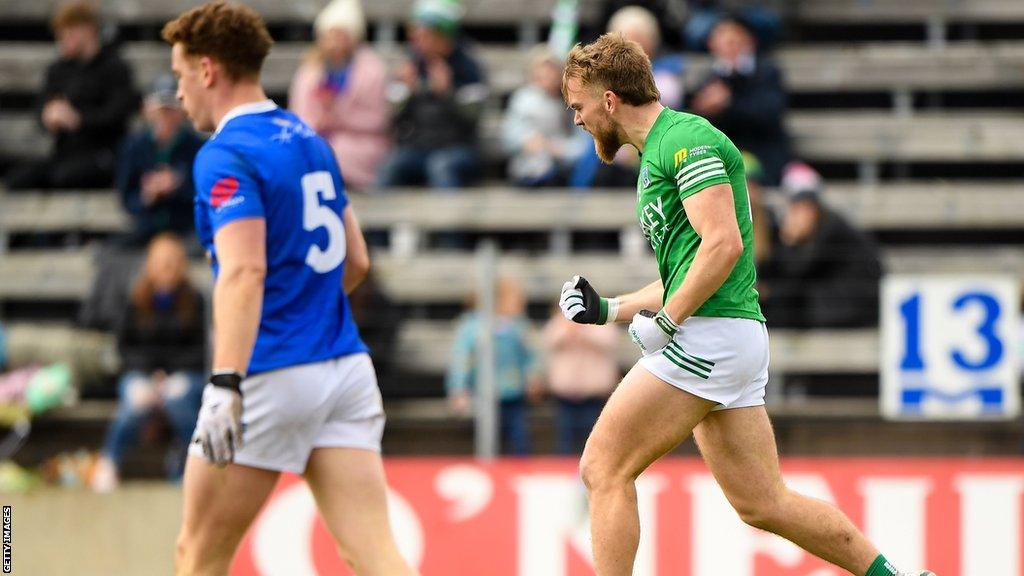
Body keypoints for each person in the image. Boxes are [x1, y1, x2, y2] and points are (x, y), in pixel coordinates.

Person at [558, 33, 934, 576]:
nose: (576, 119)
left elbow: (724, 244)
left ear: (610, 99)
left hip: (709, 336)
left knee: (602, 467)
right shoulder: (662, 150)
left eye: (578, 106)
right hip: (727, 336)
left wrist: (668, 321)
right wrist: (609, 308)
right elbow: (690, 269)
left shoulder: (685, 140)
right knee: (764, 503)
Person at [161, 3, 418, 574]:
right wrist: (309, 307)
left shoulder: (225, 153)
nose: (178, 94)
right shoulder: (308, 137)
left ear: (207, 71)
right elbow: (356, 259)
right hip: (345, 368)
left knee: (198, 552)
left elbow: (245, 271)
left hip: (268, 372)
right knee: (376, 555)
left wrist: (226, 382)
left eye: (180, 76)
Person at [92, 233, 206, 491]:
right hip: (142, 374)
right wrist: (151, 375)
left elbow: (200, 352)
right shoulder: (135, 300)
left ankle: (192, 467)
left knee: (179, 401)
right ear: (150, 265)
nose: (167, 268)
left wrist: (170, 375)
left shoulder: (194, 300)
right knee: (135, 402)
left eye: (173, 262)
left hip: (183, 375)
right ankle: (110, 462)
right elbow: (125, 349)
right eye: (161, 262)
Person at [6, 0, 138, 190]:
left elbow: (118, 114)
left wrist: (78, 120)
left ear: (88, 30)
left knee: (66, 176)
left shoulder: (115, 67)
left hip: (103, 154)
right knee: (18, 179)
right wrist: (48, 115)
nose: (62, 40)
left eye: (68, 33)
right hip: (65, 155)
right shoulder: (58, 70)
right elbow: (41, 109)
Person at [377, 0, 488, 188]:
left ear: (444, 35)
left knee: (441, 166)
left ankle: (449, 217)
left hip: (457, 148)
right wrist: (405, 91)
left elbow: (474, 118)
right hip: (417, 147)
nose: (418, 41)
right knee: (390, 166)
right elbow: (392, 115)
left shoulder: (468, 67)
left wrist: (447, 94)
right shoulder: (412, 64)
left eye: (425, 34)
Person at [759, 161, 883, 328]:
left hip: (854, 304)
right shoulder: (828, 224)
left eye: (803, 207)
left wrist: (789, 242)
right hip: (840, 299)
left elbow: (797, 272)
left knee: (785, 304)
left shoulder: (830, 228)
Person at [289, 0, 390, 190]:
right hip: (316, 137)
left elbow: (378, 120)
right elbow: (299, 116)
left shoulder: (372, 70)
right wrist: (319, 120)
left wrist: (338, 116)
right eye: (330, 36)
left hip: (359, 142)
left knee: (334, 153)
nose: (334, 43)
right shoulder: (310, 72)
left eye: (340, 36)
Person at [687, 14, 791, 186]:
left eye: (735, 40)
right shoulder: (708, 80)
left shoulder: (766, 73)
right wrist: (704, 108)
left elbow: (770, 114)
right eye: (724, 40)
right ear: (712, 45)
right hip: (725, 156)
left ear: (750, 41)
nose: (730, 46)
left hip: (764, 153)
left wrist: (730, 104)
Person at [446, 278, 541, 455]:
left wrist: (533, 377)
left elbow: (531, 356)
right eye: (515, 300)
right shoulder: (472, 327)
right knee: (488, 441)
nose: (521, 304)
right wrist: (458, 389)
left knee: (519, 439)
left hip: (513, 394)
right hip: (483, 395)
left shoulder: (519, 327)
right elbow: (462, 360)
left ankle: (519, 470)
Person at [117, 75, 205, 246]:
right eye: (160, 110)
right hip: (145, 229)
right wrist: (147, 195)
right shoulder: (134, 146)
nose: (165, 116)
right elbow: (127, 197)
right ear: (147, 111)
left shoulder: (196, 147)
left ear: (182, 112)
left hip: (186, 229)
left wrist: (178, 184)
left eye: (171, 110)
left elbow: (205, 197)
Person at [541, 306, 620, 455]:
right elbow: (549, 340)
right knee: (565, 437)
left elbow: (609, 342)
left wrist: (583, 329)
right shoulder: (560, 320)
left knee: (593, 437)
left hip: (593, 393)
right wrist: (569, 330)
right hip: (565, 393)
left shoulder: (602, 321)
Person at [501, 46, 581, 187]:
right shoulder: (523, 99)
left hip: (561, 166)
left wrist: (557, 148)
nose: (547, 76)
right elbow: (509, 135)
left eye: (551, 71)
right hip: (526, 167)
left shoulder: (570, 102)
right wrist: (526, 141)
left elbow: (581, 145)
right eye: (542, 72)